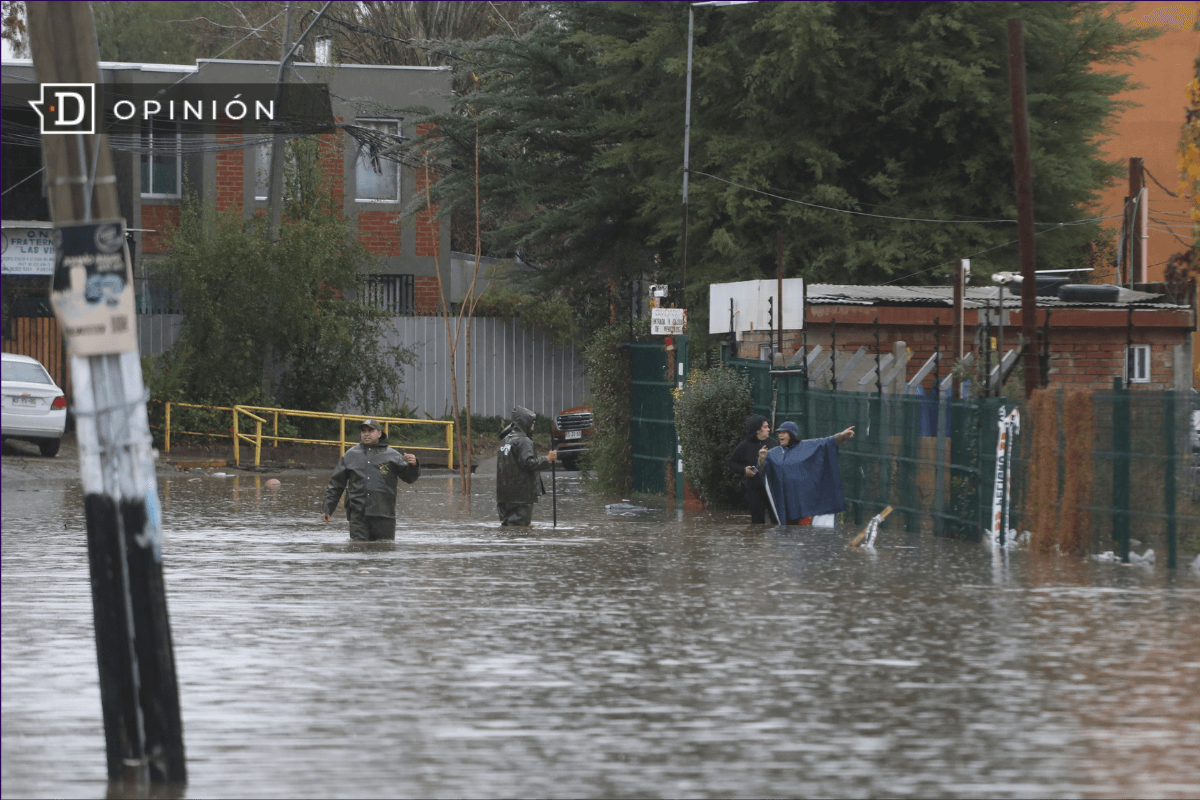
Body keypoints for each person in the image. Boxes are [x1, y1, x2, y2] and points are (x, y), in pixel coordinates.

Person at [321, 419, 420, 541]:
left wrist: (414, 465)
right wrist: (327, 508)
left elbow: (410, 478)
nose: (366, 434)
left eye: (370, 431)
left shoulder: (393, 455)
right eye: (363, 431)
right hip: (358, 514)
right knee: (358, 548)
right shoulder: (350, 455)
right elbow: (336, 484)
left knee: (384, 549)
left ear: (379, 433)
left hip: (384, 514)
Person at [763, 420, 855, 525]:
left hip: (805, 505)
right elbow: (762, 470)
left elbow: (826, 442)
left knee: (804, 535)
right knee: (786, 535)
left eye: (784, 433)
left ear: (792, 434)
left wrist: (841, 436)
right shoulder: (773, 453)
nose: (780, 435)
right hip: (785, 505)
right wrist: (761, 460)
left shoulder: (806, 447)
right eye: (779, 433)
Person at [496, 406, 558, 526]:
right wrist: (547, 458)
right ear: (525, 422)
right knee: (519, 529)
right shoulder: (524, 441)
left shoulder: (505, 440)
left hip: (504, 496)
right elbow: (529, 463)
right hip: (521, 496)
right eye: (532, 422)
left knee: (508, 528)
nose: (533, 426)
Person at [726, 414, 778, 524]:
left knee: (776, 519)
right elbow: (731, 463)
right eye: (765, 427)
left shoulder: (772, 442)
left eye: (768, 426)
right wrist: (744, 470)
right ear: (757, 430)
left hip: (772, 487)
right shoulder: (744, 446)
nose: (768, 429)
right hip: (755, 488)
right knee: (757, 522)